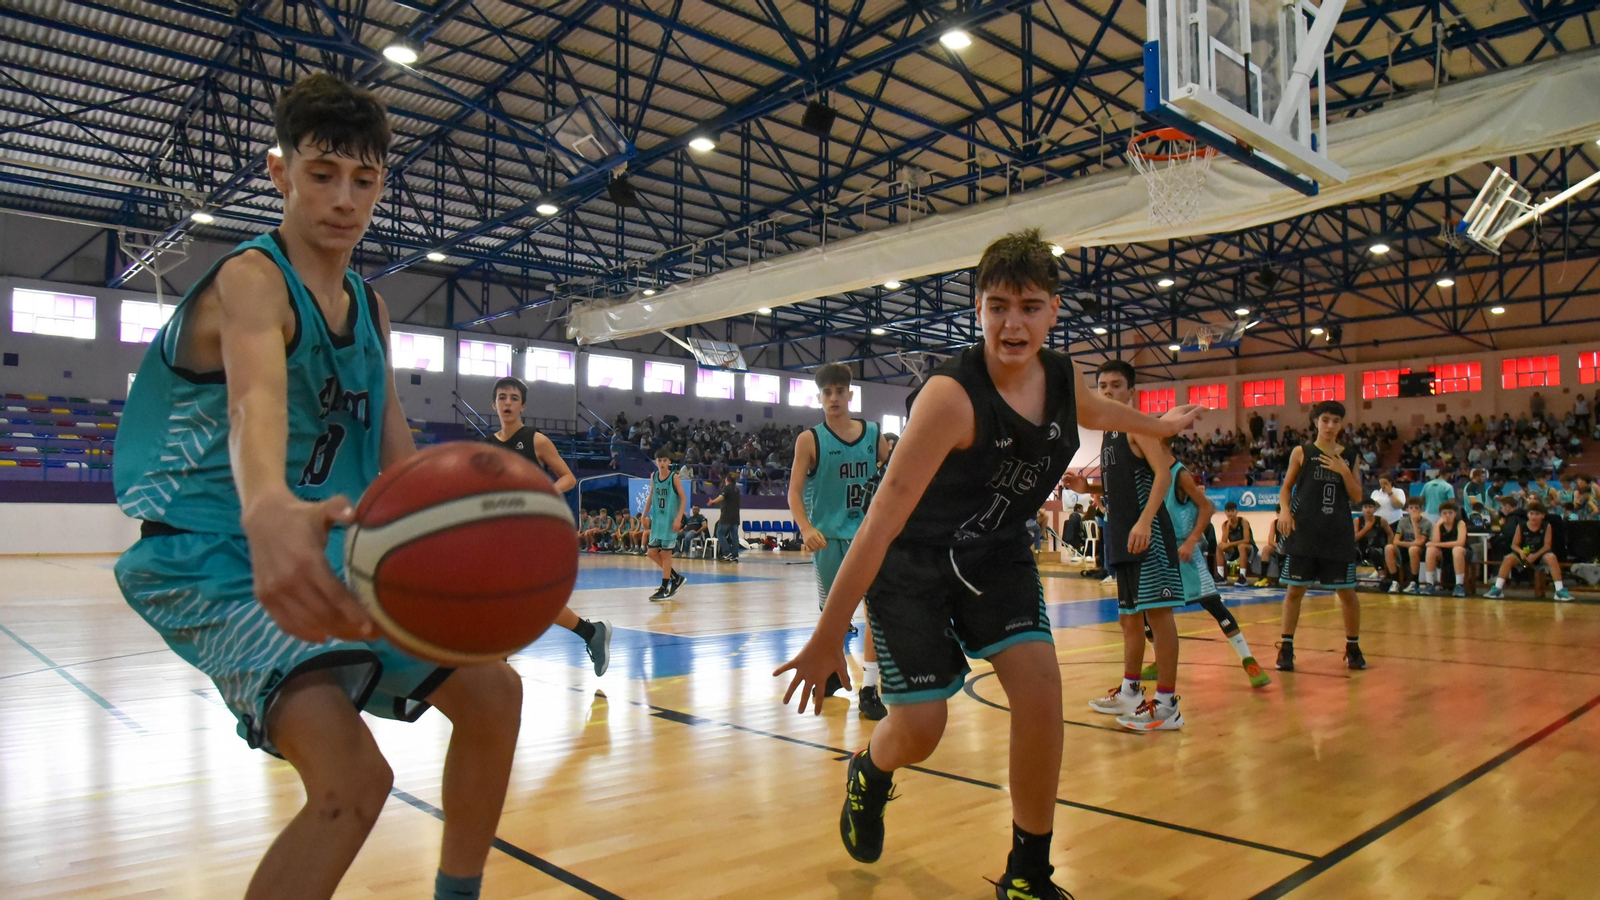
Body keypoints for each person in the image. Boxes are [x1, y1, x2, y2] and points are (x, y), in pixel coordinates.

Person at [112, 75, 521, 900]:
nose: (344, 197)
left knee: (495, 692)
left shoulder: (368, 306)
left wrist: (478, 549)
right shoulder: (252, 280)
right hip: (213, 557)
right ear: (280, 173)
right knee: (351, 786)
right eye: (323, 172)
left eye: (363, 180)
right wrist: (266, 505)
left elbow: (401, 466)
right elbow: (253, 401)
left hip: (332, 548)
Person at [774, 229, 1200, 899]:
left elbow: (1092, 410)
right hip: (913, 562)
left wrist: (1156, 426)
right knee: (922, 728)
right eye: (997, 305)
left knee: (1040, 692)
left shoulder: (1061, 377)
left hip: (994, 554)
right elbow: (882, 519)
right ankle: (870, 771)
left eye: (1029, 306)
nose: (1012, 322)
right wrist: (831, 632)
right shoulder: (951, 397)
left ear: (1054, 310)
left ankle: (1028, 875)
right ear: (978, 309)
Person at [484, 377, 612, 675]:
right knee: (526, 602)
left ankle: (498, 663)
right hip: (501, 533)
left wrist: (543, 493)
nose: (507, 403)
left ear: (523, 405)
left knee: (513, 599)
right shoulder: (488, 445)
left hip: (532, 532)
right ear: (494, 404)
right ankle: (591, 633)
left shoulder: (536, 440)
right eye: (502, 397)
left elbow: (568, 477)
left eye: (514, 398)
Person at [787, 362, 893, 720]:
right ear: (820, 398)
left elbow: (896, 478)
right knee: (834, 619)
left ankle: (869, 688)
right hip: (829, 540)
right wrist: (805, 527)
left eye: (839, 391)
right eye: (827, 392)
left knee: (876, 614)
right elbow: (794, 493)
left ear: (850, 394)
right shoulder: (810, 439)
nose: (834, 398)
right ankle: (833, 672)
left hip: (868, 538)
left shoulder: (874, 433)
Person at [1275, 401, 1366, 672]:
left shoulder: (1349, 455)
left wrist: (1344, 472)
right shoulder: (1302, 452)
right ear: (1316, 421)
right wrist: (1284, 512)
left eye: (1335, 421)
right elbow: (1286, 488)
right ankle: (1286, 647)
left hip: (1337, 533)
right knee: (1295, 590)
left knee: (1347, 593)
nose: (1330, 425)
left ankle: (1353, 647)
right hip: (1304, 531)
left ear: (1341, 424)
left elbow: (1358, 496)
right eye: (1325, 419)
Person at [1485, 502, 1573, 600]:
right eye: (1531, 513)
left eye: (1537, 514)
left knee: (1552, 557)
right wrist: (1521, 552)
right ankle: (1497, 588)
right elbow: (1514, 545)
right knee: (1508, 558)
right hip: (1524, 555)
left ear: (1542, 515)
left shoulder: (1546, 526)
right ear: (1528, 515)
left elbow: (1547, 546)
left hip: (1540, 554)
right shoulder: (1521, 526)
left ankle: (1559, 590)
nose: (1534, 517)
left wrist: (1535, 555)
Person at [645, 450, 688, 600]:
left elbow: (683, 498)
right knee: (651, 553)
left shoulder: (674, 477)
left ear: (669, 462)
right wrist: (644, 515)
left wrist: (679, 518)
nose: (662, 463)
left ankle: (664, 587)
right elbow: (651, 495)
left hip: (670, 521)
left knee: (665, 554)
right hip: (657, 520)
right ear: (655, 462)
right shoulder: (654, 476)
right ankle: (675, 578)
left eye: (664, 460)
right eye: (659, 460)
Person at [1417, 501, 1470, 596]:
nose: (1447, 515)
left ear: (1455, 514)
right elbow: (1435, 542)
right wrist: (1437, 525)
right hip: (1444, 552)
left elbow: (1460, 543)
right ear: (1440, 514)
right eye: (1444, 513)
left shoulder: (1460, 523)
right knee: (1431, 550)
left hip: (1463, 551)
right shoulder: (1439, 525)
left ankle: (1459, 585)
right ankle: (1429, 584)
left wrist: (1439, 544)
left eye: (1450, 513)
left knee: (1456, 549)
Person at [1386, 496, 1432, 593]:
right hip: (1404, 548)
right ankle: (1395, 581)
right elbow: (1396, 541)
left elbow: (1420, 542)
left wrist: (1415, 524)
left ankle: (1414, 582)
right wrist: (1411, 543)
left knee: (1413, 549)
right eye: (1411, 508)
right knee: (1389, 548)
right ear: (1407, 509)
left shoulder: (1426, 523)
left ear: (1421, 510)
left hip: (1420, 551)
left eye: (1416, 508)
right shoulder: (1403, 521)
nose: (1414, 510)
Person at [1214, 501, 1256, 585]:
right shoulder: (1225, 524)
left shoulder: (1243, 521)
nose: (1230, 514)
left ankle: (1242, 577)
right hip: (1235, 549)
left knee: (1241, 546)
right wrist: (1227, 527)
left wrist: (1230, 544)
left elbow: (1247, 540)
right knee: (1219, 546)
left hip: (1249, 548)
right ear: (1225, 512)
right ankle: (1221, 576)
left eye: (1232, 511)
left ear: (1237, 511)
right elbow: (1224, 542)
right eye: (1228, 511)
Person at [707, 471, 743, 561]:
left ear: (727, 480)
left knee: (720, 533)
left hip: (726, 516)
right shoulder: (736, 490)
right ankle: (735, 555)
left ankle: (727, 553)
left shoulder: (727, 488)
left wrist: (713, 502)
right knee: (734, 536)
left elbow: (721, 497)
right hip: (735, 517)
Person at [1354, 498, 1393, 579]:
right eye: (1365, 507)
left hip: (1377, 548)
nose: (1368, 509)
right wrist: (1366, 528)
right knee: (1352, 552)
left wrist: (1388, 546)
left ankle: (1382, 576)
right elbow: (1355, 538)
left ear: (1375, 509)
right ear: (1362, 509)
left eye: (1370, 507)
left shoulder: (1381, 520)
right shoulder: (1358, 520)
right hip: (1362, 548)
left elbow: (1390, 534)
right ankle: (1350, 577)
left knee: (1374, 552)